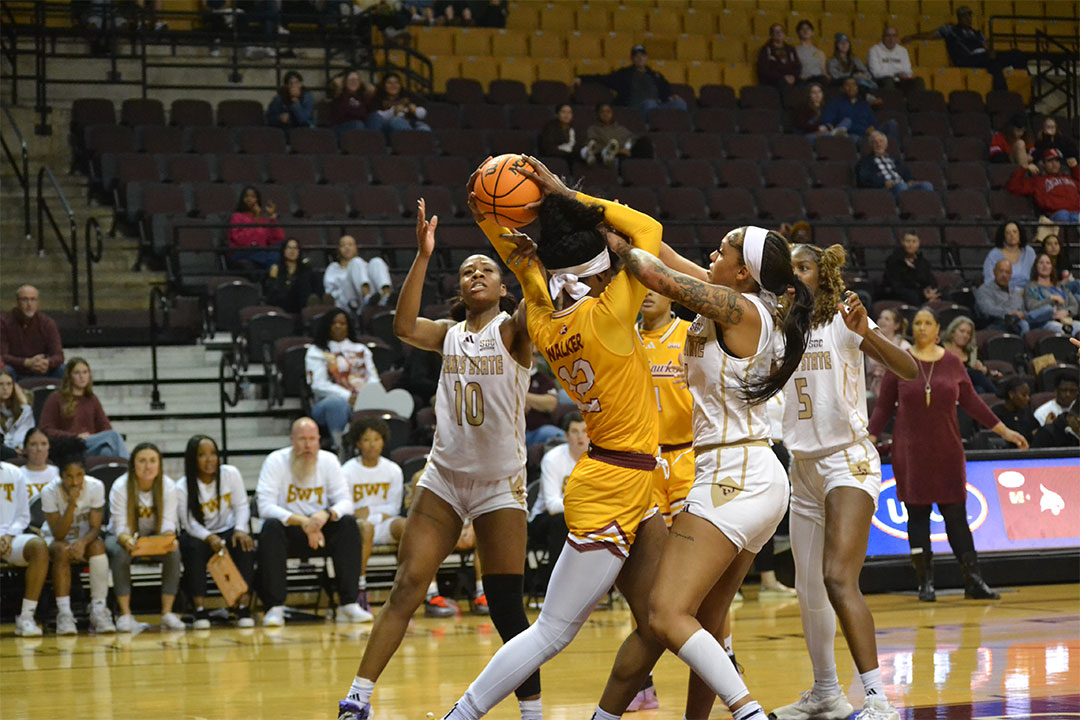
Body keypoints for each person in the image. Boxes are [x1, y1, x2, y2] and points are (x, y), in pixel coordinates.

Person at [597, 223, 815, 720]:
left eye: (723, 250)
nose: (712, 252)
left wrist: (614, 243)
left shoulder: (736, 307)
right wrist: (604, 214)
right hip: (751, 472)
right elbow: (666, 255)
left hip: (733, 472)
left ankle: (747, 712)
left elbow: (656, 273)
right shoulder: (734, 299)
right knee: (708, 623)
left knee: (664, 613)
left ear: (742, 272)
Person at [337, 197, 540, 720]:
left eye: (486, 270)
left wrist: (521, 255)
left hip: (500, 486)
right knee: (407, 586)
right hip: (445, 480)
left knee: (506, 608)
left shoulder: (514, 332)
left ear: (501, 289)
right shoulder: (449, 335)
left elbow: (539, 298)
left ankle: (533, 713)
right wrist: (424, 255)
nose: (476, 273)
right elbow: (403, 326)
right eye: (468, 269)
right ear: (460, 288)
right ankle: (356, 698)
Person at [769, 243, 916, 720]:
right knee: (808, 589)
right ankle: (827, 692)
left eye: (804, 267)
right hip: (803, 467)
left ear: (822, 276)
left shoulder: (842, 319)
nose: (795, 275)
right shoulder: (774, 326)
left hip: (847, 461)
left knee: (836, 577)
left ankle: (878, 699)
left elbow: (910, 370)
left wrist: (866, 335)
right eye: (788, 269)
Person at [868, 308, 1028, 602]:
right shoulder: (899, 362)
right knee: (917, 514)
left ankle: (973, 580)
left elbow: (973, 402)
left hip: (946, 450)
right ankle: (924, 583)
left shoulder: (953, 362)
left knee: (955, 516)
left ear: (938, 329)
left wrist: (1006, 431)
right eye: (917, 323)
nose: (922, 327)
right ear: (911, 329)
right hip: (910, 451)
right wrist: (869, 441)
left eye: (928, 322)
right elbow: (882, 408)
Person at [256, 417, 369, 627]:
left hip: (321, 530)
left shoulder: (328, 461)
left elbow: (346, 502)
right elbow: (264, 506)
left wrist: (324, 515)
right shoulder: (275, 461)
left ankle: (348, 604)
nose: (307, 445)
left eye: (312, 439)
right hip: (289, 531)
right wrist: (302, 522)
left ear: (319, 440)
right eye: (302, 439)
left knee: (348, 524)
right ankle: (274, 607)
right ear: (292, 440)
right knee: (270, 527)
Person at [177, 435, 256, 629]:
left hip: (228, 530)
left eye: (213, 453)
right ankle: (200, 609)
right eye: (202, 455)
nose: (209, 459)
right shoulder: (182, 486)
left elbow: (241, 506)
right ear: (192, 459)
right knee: (193, 548)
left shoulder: (230, 474)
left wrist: (239, 529)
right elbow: (189, 523)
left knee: (244, 543)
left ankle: (243, 606)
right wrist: (209, 537)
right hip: (200, 535)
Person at [40, 436, 114, 635]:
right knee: (62, 549)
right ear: (61, 475)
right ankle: (64, 614)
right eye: (69, 476)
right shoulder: (49, 491)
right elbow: (58, 533)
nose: (75, 482)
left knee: (98, 546)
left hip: (85, 538)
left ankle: (98, 609)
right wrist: (72, 505)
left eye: (80, 475)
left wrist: (83, 542)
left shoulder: (96, 487)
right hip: (56, 540)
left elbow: (95, 527)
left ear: (85, 473)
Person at [107, 442, 184, 631]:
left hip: (153, 537)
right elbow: (120, 527)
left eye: (152, 461)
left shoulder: (168, 486)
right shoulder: (121, 486)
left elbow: (168, 523)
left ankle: (167, 613)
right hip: (121, 536)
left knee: (173, 552)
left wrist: (168, 539)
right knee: (120, 553)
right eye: (142, 461)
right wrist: (128, 541)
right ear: (133, 464)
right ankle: (125, 615)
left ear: (159, 465)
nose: (148, 466)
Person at [305, 308, 405, 451]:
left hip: (363, 398)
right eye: (334, 323)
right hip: (329, 403)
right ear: (327, 326)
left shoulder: (361, 349)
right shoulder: (316, 351)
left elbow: (373, 378)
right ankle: (340, 445)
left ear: (348, 327)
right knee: (337, 404)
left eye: (343, 323)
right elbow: (318, 384)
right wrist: (348, 397)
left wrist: (365, 395)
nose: (338, 326)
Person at [341, 417, 405, 611]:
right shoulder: (348, 470)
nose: (372, 445)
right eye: (367, 440)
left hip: (383, 524)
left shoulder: (393, 469)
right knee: (366, 528)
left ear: (383, 441)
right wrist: (368, 515)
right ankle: (359, 589)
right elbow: (348, 509)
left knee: (406, 526)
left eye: (376, 439)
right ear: (358, 443)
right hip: (357, 528)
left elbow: (393, 508)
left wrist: (368, 512)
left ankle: (407, 586)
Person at [902, 6, 1028, 91]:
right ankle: (1001, 93)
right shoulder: (950, 30)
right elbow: (929, 34)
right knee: (993, 63)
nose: (968, 19)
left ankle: (1024, 84)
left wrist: (991, 52)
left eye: (969, 16)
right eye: (965, 17)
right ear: (959, 18)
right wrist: (912, 37)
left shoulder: (978, 33)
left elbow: (986, 48)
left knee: (1018, 54)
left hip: (983, 57)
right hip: (966, 59)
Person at [527, 410, 585, 595]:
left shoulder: (596, 459)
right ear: (567, 436)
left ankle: (600, 589)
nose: (581, 437)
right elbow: (552, 505)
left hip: (582, 517)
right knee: (561, 521)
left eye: (585, 431)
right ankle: (560, 591)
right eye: (575, 432)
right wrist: (586, 506)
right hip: (543, 520)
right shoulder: (553, 459)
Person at [39, 357, 129, 459]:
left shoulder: (92, 399)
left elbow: (105, 427)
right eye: (77, 373)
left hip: (90, 444)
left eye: (85, 372)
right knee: (113, 436)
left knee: (107, 451)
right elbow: (46, 429)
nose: (82, 377)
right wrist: (75, 436)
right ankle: (129, 469)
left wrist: (92, 437)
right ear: (69, 376)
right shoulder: (56, 398)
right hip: (70, 445)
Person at [1, 460, 49, 637]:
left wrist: (8, 535)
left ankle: (26, 617)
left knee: (38, 546)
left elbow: (23, 516)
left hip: (10, 538)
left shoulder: (14, 473)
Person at [576, 45, 686, 118]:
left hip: (658, 106)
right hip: (636, 108)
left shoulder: (655, 75)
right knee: (650, 103)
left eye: (642, 56)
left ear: (646, 57)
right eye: (637, 56)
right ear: (632, 59)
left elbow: (666, 89)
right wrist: (582, 78)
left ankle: (673, 127)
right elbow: (603, 78)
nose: (640, 58)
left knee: (680, 104)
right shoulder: (624, 74)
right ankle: (652, 126)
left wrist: (671, 96)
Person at [1, 285, 65, 381]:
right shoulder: (4, 322)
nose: (29, 304)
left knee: (63, 370)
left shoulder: (47, 323)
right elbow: (2, 356)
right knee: (5, 370)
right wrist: (26, 362)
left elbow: (59, 355)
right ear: (16, 302)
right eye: (24, 300)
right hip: (16, 371)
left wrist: (47, 363)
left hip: (41, 370)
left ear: (38, 303)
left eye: (33, 299)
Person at [976, 259, 1056, 335]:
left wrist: (1021, 315)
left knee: (1051, 317)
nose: (1004, 275)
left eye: (1007, 272)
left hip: (1024, 320)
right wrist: (1009, 313)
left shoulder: (1015, 294)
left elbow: (1023, 311)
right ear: (994, 272)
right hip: (1000, 323)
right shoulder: (985, 290)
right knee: (1024, 324)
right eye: (1001, 271)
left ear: (1011, 275)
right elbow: (987, 309)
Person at [1006, 149, 1080, 223]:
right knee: (1063, 214)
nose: (1054, 164)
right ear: (1043, 164)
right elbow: (1014, 187)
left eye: (1057, 160)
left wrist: (1075, 169)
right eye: (1050, 161)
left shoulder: (1068, 177)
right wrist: (1024, 169)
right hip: (1056, 214)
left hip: (1077, 213)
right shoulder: (1038, 181)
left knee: (1075, 216)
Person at [323, 234, 392, 312]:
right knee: (356, 262)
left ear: (356, 248)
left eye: (350, 245)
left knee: (377, 261)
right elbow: (330, 292)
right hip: (348, 301)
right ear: (338, 250)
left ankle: (386, 296)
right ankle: (366, 296)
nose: (347, 247)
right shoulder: (333, 268)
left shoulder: (365, 266)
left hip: (374, 298)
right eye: (343, 245)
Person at [856, 131, 932, 200]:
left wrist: (911, 181)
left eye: (881, 141)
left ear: (886, 144)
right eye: (875, 142)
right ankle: (905, 208)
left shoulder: (895, 160)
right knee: (902, 187)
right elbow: (864, 180)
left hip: (902, 185)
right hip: (885, 189)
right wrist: (884, 182)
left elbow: (906, 174)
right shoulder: (865, 162)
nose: (878, 144)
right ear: (871, 145)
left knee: (927, 185)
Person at [227, 185, 284, 272]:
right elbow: (239, 240)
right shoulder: (237, 217)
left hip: (262, 252)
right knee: (276, 257)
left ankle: (272, 275)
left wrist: (272, 217)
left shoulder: (263, 220)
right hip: (243, 252)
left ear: (257, 200)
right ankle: (273, 275)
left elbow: (277, 239)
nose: (249, 199)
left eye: (253, 197)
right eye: (246, 196)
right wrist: (256, 220)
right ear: (242, 199)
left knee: (283, 246)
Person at [1025, 252, 1079, 336]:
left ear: (1051, 267)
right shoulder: (1031, 287)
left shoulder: (1060, 287)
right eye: (1041, 263)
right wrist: (1050, 299)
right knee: (1060, 329)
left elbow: (1074, 305)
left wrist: (1066, 311)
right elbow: (1031, 306)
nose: (1045, 266)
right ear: (1036, 266)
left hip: (1066, 320)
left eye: (1048, 263)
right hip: (1045, 323)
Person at [941, 316, 998, 395]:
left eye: (968, 333)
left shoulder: (971, 352)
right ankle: (997, 396)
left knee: (979, 389)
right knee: (974, 374)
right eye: (962, 331)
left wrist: (982, 368)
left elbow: (983, 370)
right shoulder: (940, 348)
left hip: (967, 387)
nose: (965, 335)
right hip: (947, 382)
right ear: (952, 332)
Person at [880, 229, 940, 304]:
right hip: (899, 293)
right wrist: (922, 294)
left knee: (944, 295)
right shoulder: (893, 261)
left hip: (921, 293)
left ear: (919, 243)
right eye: (908, 241)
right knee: (914, 297)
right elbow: (896, 286)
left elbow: (930, 280)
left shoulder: (923, 262)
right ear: (902, 242)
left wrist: (931, 292)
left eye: (914, 242)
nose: (911, 245)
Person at [264, 237, 321, 314]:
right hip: (282, 307)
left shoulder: (306, 270)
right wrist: (273, 278)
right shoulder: (276, 269)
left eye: (295, 248)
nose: (292, 251)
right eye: (289, 248)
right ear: (283, 251)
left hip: (301, 307)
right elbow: (270, 296)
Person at [825, 79, 893, 143]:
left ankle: (892, 150)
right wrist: (864, 130)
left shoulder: (864, 104)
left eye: (853, 85)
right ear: (843, 88)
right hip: (853, 134)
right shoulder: (836, 103)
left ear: (857, 88)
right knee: (855, 138)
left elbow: (872, 121)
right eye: (847, 85)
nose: (851, 87)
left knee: (892, 124)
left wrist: (872, 127)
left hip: (870, 133)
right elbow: (839, 125)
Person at [866, 308, 911, 398]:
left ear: (896, 326)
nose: (882, 321)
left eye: (887, 319)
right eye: (880, 318)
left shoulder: (904, 347)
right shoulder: (869, 344)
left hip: (896, 391)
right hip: (872, 390)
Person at [983, 221, 1037, 292]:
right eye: (1008, 232)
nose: (1012, 235)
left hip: (1029, 293)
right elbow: (989, 281)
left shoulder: (1029, 252)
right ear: (1003, 236)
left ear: (1020, 234)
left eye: (1015, 232)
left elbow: (1037, 276)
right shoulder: (994, 255)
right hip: (1002, 294)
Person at [524, 354, 564, 447]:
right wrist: (537, 402)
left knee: (559, 435)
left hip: (538, 431)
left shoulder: (543, 379)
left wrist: (521, 396)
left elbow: (551, 404)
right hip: (511, 430)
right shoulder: (508, 377)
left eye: (534, 354)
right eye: (529, 353)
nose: (531, 357)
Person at [867, 26, 921, 93]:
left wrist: (908, 75)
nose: (891, 39)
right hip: (883, 81)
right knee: (888, 81)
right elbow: (876, 73)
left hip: (901, 80)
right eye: (888, 36)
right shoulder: (874, 50)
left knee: (918, 81)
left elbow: (907, 69)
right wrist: (895, 74)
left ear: (897, 38)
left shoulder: (903, 50)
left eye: (894, 36)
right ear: (883, 37)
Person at [582, 103, 638, 167]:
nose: (605, 114)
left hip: (622, 157)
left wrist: (627, 148)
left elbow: (632, 139)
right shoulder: (593, 129)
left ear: (612, 113)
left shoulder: (620, 129)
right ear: (597, 114)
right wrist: (618, 151)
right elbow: (592, 146)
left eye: (608, 111)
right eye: (602, 112)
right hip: (602, 157)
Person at [992, 377, 1039, 445]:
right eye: (1024, 395)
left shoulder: (1027, 411)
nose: (1028, 398)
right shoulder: (996, 413)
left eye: (1028, 395)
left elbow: (1036, 431)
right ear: (1011, 394)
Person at [330, 69, 377, 135]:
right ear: (345, 82)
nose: (353, 82)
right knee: (358, 124)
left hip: (360, 127)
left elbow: (372, 89)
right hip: (342, 127)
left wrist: (363, 84)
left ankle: (372, 142)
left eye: (356, 80)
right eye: (351, 80)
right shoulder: (339, 94)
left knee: (375, 117)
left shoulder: (362, 96)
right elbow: (336, 82)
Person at [19, 428, 60, 500]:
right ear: (25, 449)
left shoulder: (59, 473)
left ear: (49, 447)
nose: (39, 449)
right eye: (33, 444)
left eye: (44, 444)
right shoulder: (17, 475)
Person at [0, 369, 33, 457]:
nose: (5, 388)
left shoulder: (24, 410)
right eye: (1, 384)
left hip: (20, 451)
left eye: (9, 384)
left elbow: (25, 433)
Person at [757, 23, 801, 88]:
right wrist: (783, 77)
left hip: (791, 77)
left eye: (781, 31)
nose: (779, 33)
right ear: (771, 35)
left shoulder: (790, 49)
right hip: (774, 80)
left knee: (802, 83)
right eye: (776, 32)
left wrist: (793, 76)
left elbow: (797, 66)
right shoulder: (766, 50)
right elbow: (764, 70)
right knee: (783, 83)